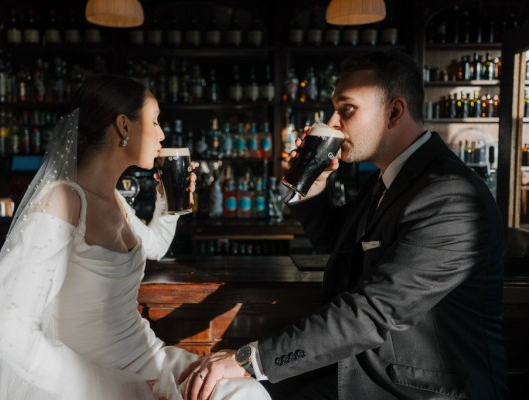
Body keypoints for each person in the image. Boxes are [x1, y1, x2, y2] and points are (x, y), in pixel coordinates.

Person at [179, 51, 509, 400]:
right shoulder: (390, 179)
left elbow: (371, 312)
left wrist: (249, 359)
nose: (332, 121)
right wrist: (312, 186)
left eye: (346, 109)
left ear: (395, 111)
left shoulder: (449, 195)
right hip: (363, 373)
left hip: (422, 390)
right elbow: (334, 240)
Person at [0, 74, 270, 400]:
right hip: (95, 376)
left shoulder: (114, 199)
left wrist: (169, 205)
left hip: (148, 357)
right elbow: (6, 328)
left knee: (246, 392)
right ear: (124, 126)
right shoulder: (62, 200)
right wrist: (116, 388)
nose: (161, 134)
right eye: (155, 121)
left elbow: (153, 247)